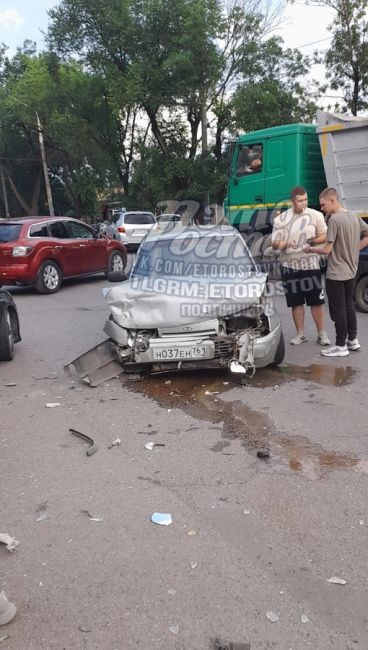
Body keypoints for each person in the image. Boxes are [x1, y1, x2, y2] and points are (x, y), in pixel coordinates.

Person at [305, 187, 368, 357]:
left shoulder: (335, 220)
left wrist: (310, 249)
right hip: (351, 271)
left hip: (336, 273)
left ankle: (340, 346)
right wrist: (355, 250)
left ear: (333, 201)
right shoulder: (353, 216)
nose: (322, 208)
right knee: (348, 306)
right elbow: (367, 234)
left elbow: (326, 250)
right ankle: (352, 341)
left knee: (338, 310)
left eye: (323, 205)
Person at [272, 186, 330, 346]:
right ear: (292, 201)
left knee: (316, 302)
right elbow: (275, 243)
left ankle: (322, 334)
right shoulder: (281, 219)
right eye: (300, 201)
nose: (303, 203)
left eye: (305, 199)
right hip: (289, 266)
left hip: (311, 265)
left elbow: (325, 235)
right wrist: (286, 243)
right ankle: (301, 333)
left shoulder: (316, 215)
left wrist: (312, 241)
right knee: (296, 302)